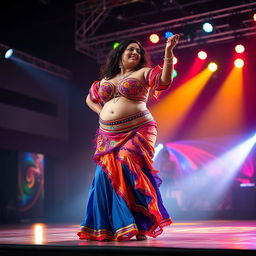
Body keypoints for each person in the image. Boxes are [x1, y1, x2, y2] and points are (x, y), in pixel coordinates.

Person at [77, 34, 180, 241]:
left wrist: (168, 52)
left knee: (127, 163)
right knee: (102, 177)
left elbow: (165, 80)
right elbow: (89, 99)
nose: (135, 52)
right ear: (120, 54)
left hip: (138, 129)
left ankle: (141, 224)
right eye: (130, 49)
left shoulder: (143, 73)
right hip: (107, 134)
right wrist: (101, 112)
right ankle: (110, 227)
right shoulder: (105, 80)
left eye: (138, 51)